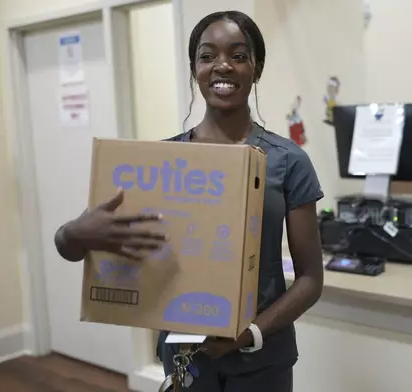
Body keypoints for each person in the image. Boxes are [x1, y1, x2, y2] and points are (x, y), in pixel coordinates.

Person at [53, 10, 324, 392]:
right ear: (194, 68)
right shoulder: (161, 164)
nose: (222, 66)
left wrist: (250, 334)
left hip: (262, 362)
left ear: (256, 68)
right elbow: (68, 246)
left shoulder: (287, 161)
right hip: (185, 360)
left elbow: (311, 278)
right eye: (207, 56)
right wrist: (75, 233)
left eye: (238, 55)